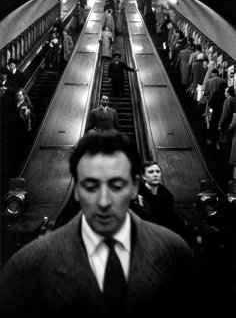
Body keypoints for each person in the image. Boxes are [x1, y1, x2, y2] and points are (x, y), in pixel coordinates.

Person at [0, 130, 199, 317]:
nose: (104, 201)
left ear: (134, 188)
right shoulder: (26, 267)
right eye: (91, 186)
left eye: (116, 185)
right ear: (76, 190)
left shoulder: (176, 253)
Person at [130, 161, 197, 248]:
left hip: (166, 231)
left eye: (158, 171)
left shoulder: (166, 195)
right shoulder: (137, 195)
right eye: (151, 172)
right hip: (147, 232)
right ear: (143, 176)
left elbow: (171, 216)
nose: (155, 174)